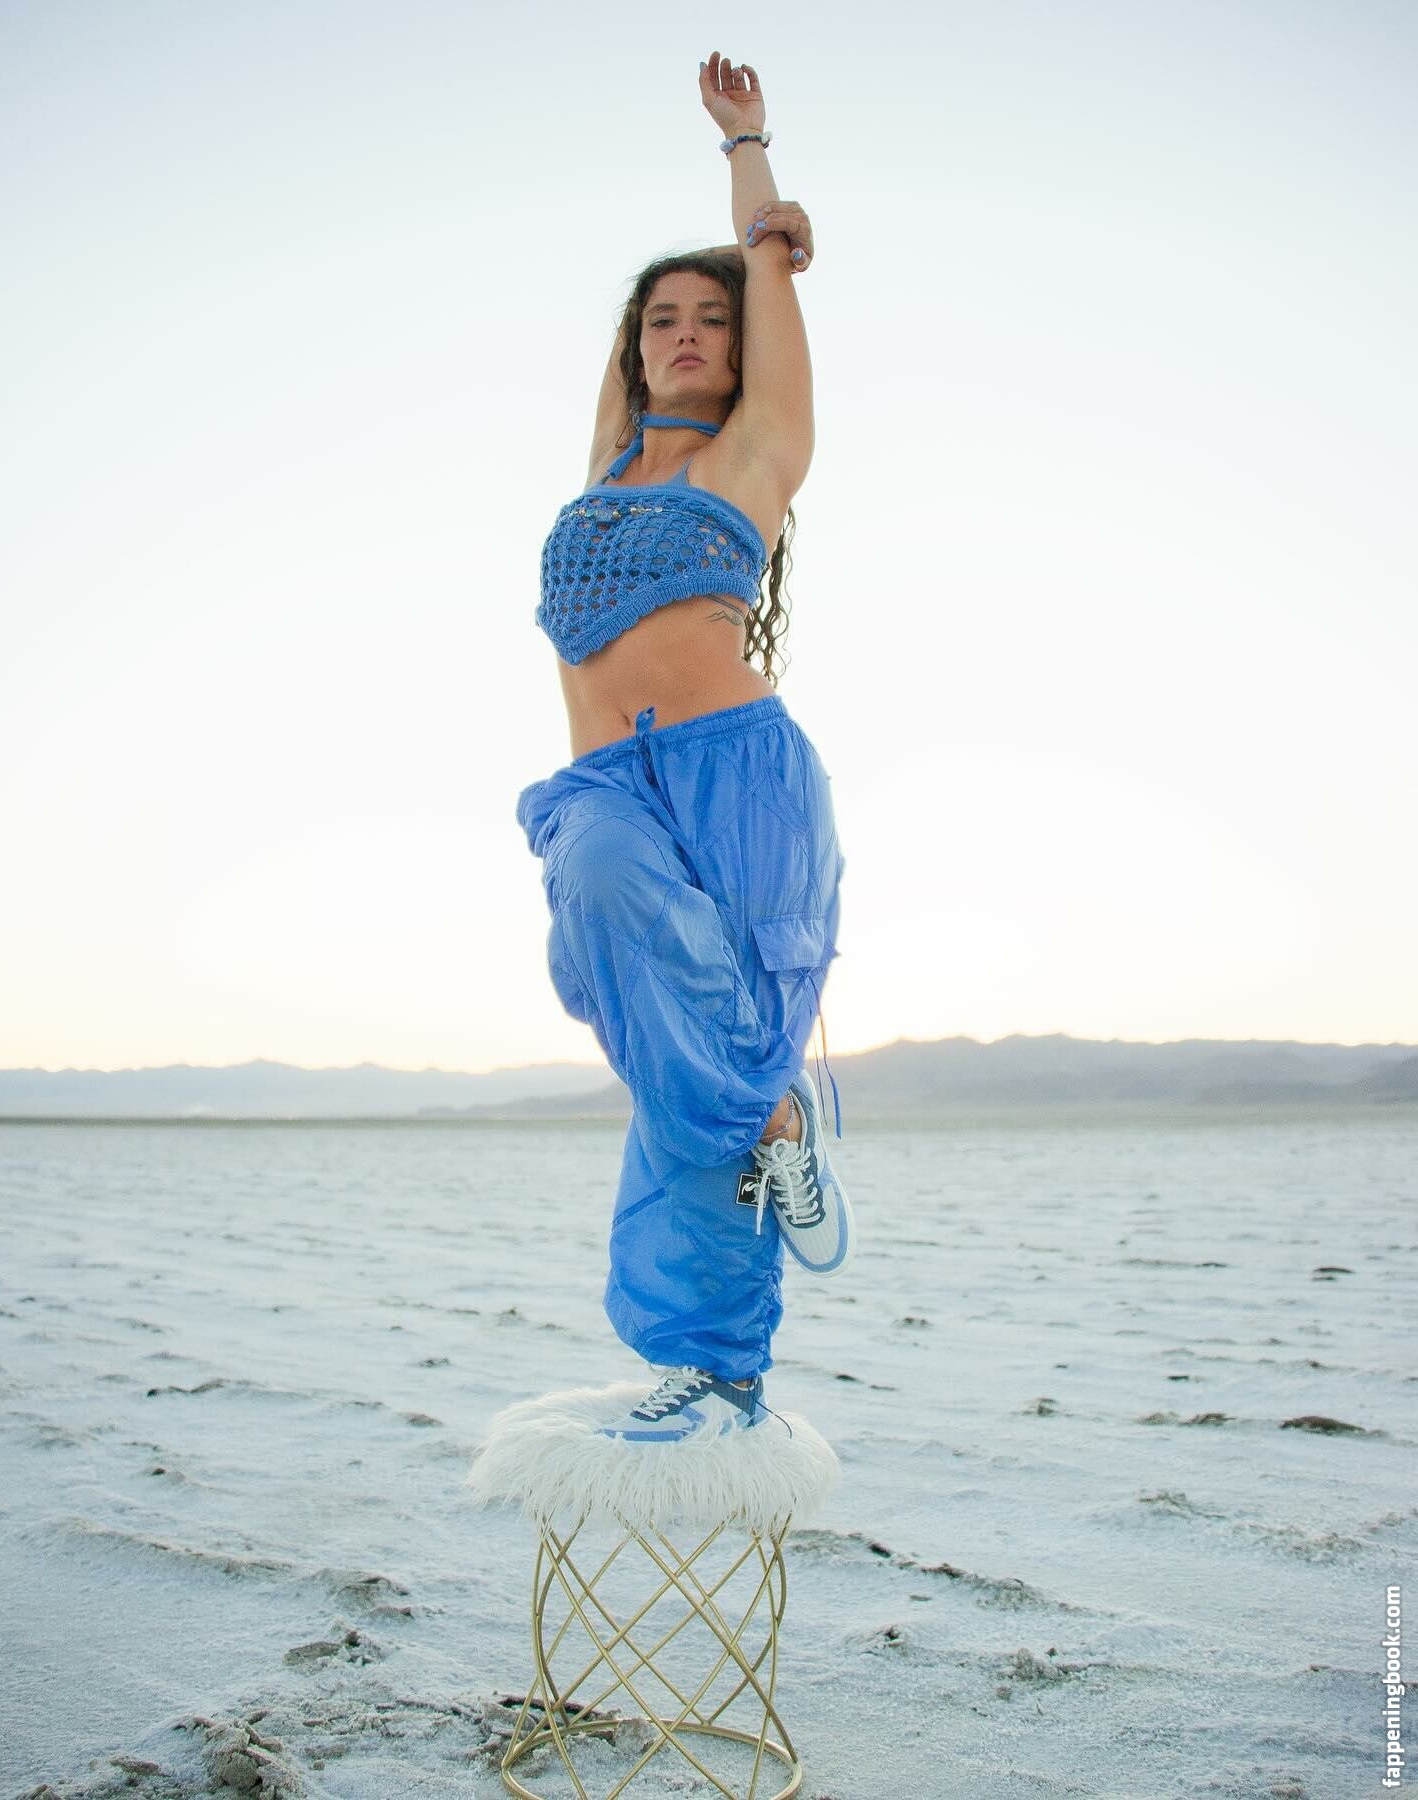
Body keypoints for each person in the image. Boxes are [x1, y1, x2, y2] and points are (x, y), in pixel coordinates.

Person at [516, 52, 853, 1445]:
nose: (687, 333)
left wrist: (748, 153)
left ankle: (713, 1368)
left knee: (693, 1061)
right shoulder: (606, 471)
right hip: (607, 787)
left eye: (712, 318)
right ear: (635, 350)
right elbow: (636, 361)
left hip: (739, 779)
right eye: (662, 319)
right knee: (637, 955)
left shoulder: (753, 457)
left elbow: (763, 269)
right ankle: (774, 1123)